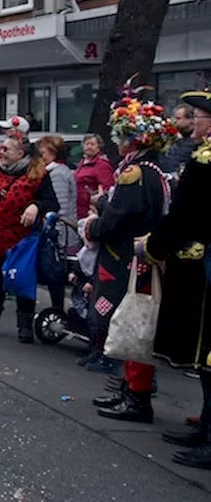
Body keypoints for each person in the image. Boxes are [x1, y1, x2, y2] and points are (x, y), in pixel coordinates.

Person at [84, 86, 173, 421]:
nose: (117, 141)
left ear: (133, 140)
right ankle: (128, 390)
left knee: (132, 326)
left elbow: (120, 217)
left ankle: (137, 398)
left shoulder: (136, 172)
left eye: (121, 135)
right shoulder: (151, 170)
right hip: (136, 258)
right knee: (130, 326)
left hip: (130, 260)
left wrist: (93, 226)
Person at [136, 89, 211, 468]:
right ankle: (206, 425)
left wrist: (153, 248)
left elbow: (185, 214)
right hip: (194, 260)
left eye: (199, 115)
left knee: (207, 350)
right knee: (202, 357)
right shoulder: (200, 157)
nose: (194, 122)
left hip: (201, 262)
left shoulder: (206, 161)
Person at [0, 136, 59, 343]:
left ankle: (25, 326)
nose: (2, 152)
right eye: (2, 148)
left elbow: (52, 202)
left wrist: (36, 205)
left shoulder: (37, 175)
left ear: (21, 154)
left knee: (23, 281)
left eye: (7, 149)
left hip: (23, 238)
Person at [37, 135, 79, 312]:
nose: (41, 154)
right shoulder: (55, 171)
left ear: (53, 152)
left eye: (44, 151)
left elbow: (59, 206)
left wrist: (52, 229)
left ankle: (57, 310)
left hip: (60, 232)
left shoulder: (58, 174)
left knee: (56, 273)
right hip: (59, 231)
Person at [75, 133, 115, 220]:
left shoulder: (102, 164)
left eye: (92, 144)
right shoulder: (83, 162)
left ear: (99, 147)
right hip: (80, 209)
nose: (89, 147)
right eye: (87, 144)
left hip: (92, 210)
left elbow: (107, 188)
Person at [162, 103, 197, 175]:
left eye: (178, 118)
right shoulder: (173, 138)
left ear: (191, 120)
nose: (174, 121)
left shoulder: (197, 141)